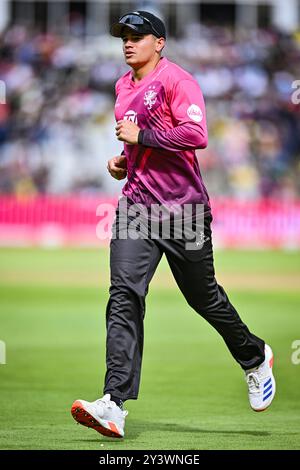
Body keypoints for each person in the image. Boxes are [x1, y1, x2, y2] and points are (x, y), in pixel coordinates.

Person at [71, 11, 276, 439]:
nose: (128, 43)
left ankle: (254, 357)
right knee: (124, 295)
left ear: (159, 42)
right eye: (124, 37)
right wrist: (122, 163)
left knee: (204, 299)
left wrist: (139, 140)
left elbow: (195, 135)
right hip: (136, 210)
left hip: (183, 212)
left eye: (138, 36)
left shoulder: (177, 81)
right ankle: (114, 403)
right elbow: (139, 145)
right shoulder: (122, 86)